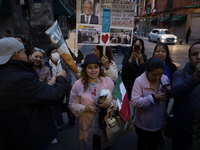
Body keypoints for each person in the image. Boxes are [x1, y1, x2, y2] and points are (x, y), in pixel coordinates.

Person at [0, 37, 67, 150]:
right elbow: (55, 95)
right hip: (31, 137)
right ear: (18, 54)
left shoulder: (7, 74)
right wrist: (61, 78)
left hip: (10, 136)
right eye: (25, 52)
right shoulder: (22, 78)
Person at [69, 54, 116, 150]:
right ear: (85, 69)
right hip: (86, 125)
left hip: (105, 125)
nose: (93, 70)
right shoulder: (78, 85)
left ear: (100, 68)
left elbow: (117, 101)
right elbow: (72, 104)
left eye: (96, 67)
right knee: (90, 145)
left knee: (105, 145)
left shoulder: (108, 82)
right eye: (90, 68)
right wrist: (85, 108)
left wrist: (110, 105)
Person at [131, 57, 170, 150]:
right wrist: (153, 98)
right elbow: (134, 102)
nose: (157, 77)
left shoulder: (164, 79)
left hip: (159, 122)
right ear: (146, 71)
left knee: (154, 145)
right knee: (142, 144)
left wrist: (168, 92)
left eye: (160, 74)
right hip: (143, 124)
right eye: (153, 75)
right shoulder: (139, 81)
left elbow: (169, 94)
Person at [171, 41, 200, 150]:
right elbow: (175, 91)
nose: (198, 57)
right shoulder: (180, 74)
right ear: (189, 57)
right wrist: (195, 77)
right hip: (182, 129)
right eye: (194, 54)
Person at [45, 46, 76, 126]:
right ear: (49, 55)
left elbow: (69, 74)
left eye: (56, 51)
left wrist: (66, 84)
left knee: (69, 105)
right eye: (53, 52)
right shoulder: (46, 65)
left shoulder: (64, 62)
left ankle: (72, 120)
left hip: (66, 87)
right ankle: (59, 123)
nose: (56, 53)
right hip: (54, 89)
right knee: (56, 107)